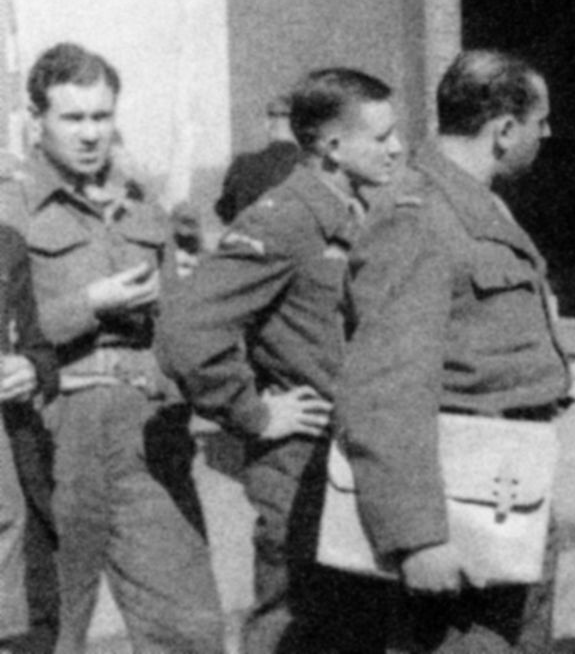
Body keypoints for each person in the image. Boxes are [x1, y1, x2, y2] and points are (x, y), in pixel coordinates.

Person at [159, 69, 404, 653]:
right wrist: (254, 413)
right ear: (332, 147)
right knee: (296, 626)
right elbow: (186, 328)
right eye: (382, 136)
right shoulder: (285, 217)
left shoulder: (359, 211)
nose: (396, 147)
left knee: (357, 629)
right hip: (302, 471)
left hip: (356, 459)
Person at [337, 50, 567, 653]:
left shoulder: (475, 202)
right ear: (504, 130)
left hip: (506, 489)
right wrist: (418, 537)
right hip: (456, 511)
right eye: (540, 121)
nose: (547, 134)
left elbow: (475, 333)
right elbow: (384, 387)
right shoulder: (419, 216)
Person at [0, 43, 225, 653]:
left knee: (190, 629)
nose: (91, 133)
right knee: (50, 630)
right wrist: (89, 304)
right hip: (54, 439)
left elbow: (179, 322)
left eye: (102, 117)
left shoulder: (140, 202)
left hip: (146, 436)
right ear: (35, 119)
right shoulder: (10, 207)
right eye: (73, 118)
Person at [0, 225, 58, 654]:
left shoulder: (6, 244)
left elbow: (37, 343)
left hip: (9, 472)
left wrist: (32, 370)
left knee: (28, 629)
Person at [215, 95, 302, 225]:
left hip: (250, 240)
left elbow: (225, 211)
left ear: (268, 124)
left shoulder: (243, 165)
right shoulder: (311, 166)